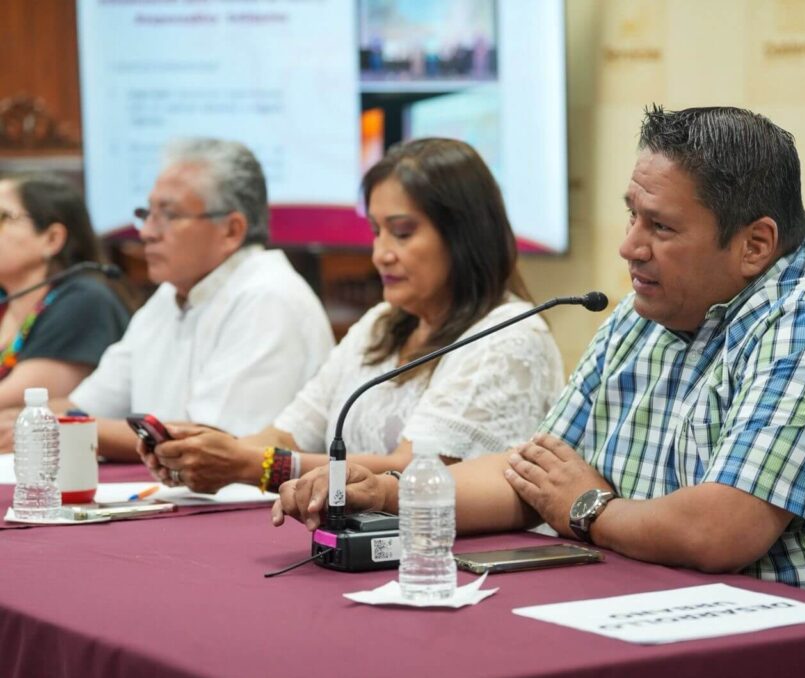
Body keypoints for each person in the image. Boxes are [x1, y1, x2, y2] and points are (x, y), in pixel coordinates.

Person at [275, 107, 805, 678]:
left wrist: (589, 508)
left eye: (660, 227)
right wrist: (395, 493)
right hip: (693, 641)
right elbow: (534, 474)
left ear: (755, 245)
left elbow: (717, 532)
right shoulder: (646, 315)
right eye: (632, 215)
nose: (629, 246)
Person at [140, 138, 564, 495]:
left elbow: (414, 470)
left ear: (464, 236)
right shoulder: (381, 324)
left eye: (402, 233)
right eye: (376, 231)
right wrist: (203, 453)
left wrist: (252, 466)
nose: (380, 254)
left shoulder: (509, 335)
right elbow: (288, 434)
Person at [0, 138, 334, 462]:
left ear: (231, 230)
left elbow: (210, 443)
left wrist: (52, 426)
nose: (146, 232)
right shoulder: (168, 296)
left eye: (169, 216)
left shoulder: (269, 296)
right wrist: (24, 420)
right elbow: (86, 406)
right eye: (147, 213)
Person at [0, 174, 129, 409]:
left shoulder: (84, 301)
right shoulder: (4, 300)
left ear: (52, 239)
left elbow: (24, 400)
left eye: (3, 217)